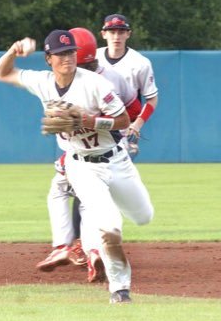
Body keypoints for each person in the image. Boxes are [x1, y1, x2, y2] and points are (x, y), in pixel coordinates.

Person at [0, 29, 154, 304]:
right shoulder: (41, 82)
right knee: (110, 225)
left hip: (116, 160)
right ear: (48, 59)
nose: (67, 58)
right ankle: (119, 289)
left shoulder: (94, 84)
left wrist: (89, 122)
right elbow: (2, 73)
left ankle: (94, 243)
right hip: (82, 167)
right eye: (60, 54)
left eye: (70, 52)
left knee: (143, 216)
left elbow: (124, 120)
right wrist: (12, 50)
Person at [36, 28, 142, 284]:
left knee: (66, 190)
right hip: (109, 146)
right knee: (87, 198)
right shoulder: (109, 75)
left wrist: (95, 122)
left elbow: (127, 113)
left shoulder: (89, 80)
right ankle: (88, 248)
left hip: (100, 146)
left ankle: (79, 247)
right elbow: (135, 107)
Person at [96, 14, 158, 154]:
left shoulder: (140, 63)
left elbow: (152, 98)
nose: (116, 36)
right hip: (97, 121)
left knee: (120, 170)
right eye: (112, 32)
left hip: (125, 123)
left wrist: (137, 125)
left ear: (128, 34)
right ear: (104, 34)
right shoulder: (93, 58)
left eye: (121, 32)